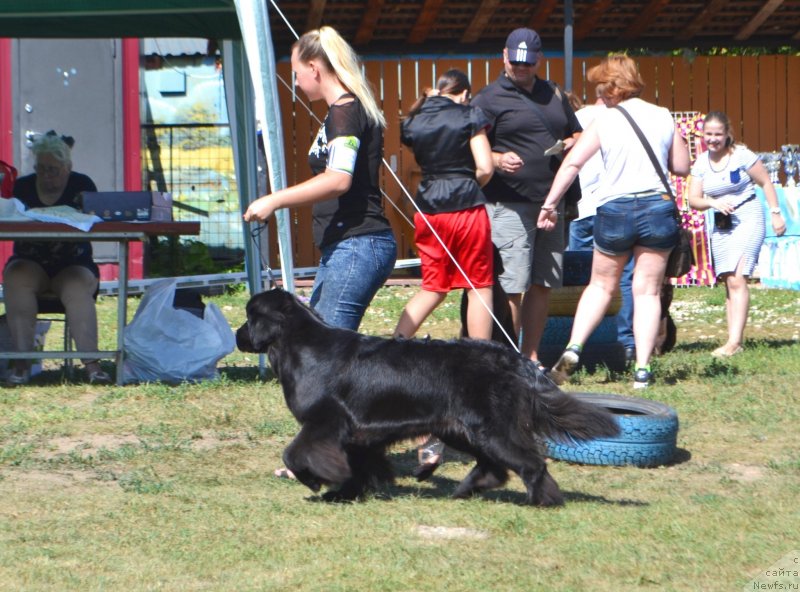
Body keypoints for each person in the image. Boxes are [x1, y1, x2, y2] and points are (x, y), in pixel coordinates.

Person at [242, 26, 397, 477]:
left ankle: (318, 456)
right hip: (348, 246)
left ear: (315, 68)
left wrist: (274, 198)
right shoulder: (343, 111)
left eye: (295, 73)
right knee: (326, 357)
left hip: (359, 244)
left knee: (324, 362)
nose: (294, 82)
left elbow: (339, 180)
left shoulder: (345, 112)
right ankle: (339, 446)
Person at [538, 54, 690, 388]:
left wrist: (550, 204)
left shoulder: (604, 120)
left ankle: (574, 348)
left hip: (615, 209)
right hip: (656, 206)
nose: (600, 93)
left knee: (601, 286)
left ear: (612, 85)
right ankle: (643, 369)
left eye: (601, 86)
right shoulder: (662, 115)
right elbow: (681, 166)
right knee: (647, 291)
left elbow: (572, 163)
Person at [393, 69, 494, 473]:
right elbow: (485, 166)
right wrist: (470, 184)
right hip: (466, 206)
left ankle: (398, 341)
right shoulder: (470, 114)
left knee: (433, 286)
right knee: (479, 284)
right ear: (464, 92)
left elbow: (411, 163)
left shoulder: (414, 120)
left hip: (429, 209)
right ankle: (481, 359)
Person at [470, 27, 582, 369]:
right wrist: (498, 158)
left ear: (539, 61)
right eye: (515, 62)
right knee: (512, 285)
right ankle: (506, 359)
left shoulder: (554, 94)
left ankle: (530, 356)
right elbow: (472, 148)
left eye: (528, 63)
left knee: (543, 283)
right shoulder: (487, 98)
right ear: (504, 56)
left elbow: (575, 131)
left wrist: (573, 143)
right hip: (508, 202)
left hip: (552, 201)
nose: (521, 68)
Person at [3, 131, 110, 385]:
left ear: (67, 167)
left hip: (72, 262)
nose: (47, 176)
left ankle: (92, 365)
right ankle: (20, 364)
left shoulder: (82, 185)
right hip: (31, 263)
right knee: (16, 277)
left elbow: (95, 220)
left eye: (53, 169)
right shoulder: (23, 187)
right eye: (41, 169)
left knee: (76, 286)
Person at [687, 111, 786, 357]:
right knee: (729, 279)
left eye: (718, 134)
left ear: (727, 134)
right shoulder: (700, 163)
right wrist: (711, 203)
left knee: (739, 277)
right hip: (722, 224)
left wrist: (775, 213)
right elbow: (693, 199)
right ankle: (734, 339)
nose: (713, 139)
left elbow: (765, 182)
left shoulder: (741, 155)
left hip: (748, 217)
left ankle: (734, 342)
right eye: (708, 134)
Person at [566, 91, 636, 363]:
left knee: (584, 279)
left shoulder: (580, 118)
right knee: (625, 278)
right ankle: (626, 342)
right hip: (618, 207)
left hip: (584, 208)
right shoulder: (630, 119)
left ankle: (578, 343)